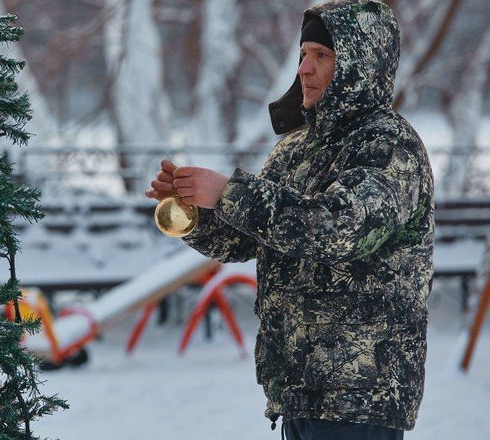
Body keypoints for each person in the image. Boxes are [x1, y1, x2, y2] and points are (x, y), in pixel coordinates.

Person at [145, 1, 434, 439]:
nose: (304, 68)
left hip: (360, 395)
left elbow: (339, 229)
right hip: (298, 389)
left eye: (322, 55)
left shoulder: (390, 146)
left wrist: (228, 191)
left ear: (360, 62)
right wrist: (193, 211)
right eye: (303, 54)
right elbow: (248, 238)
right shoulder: (297, 148)